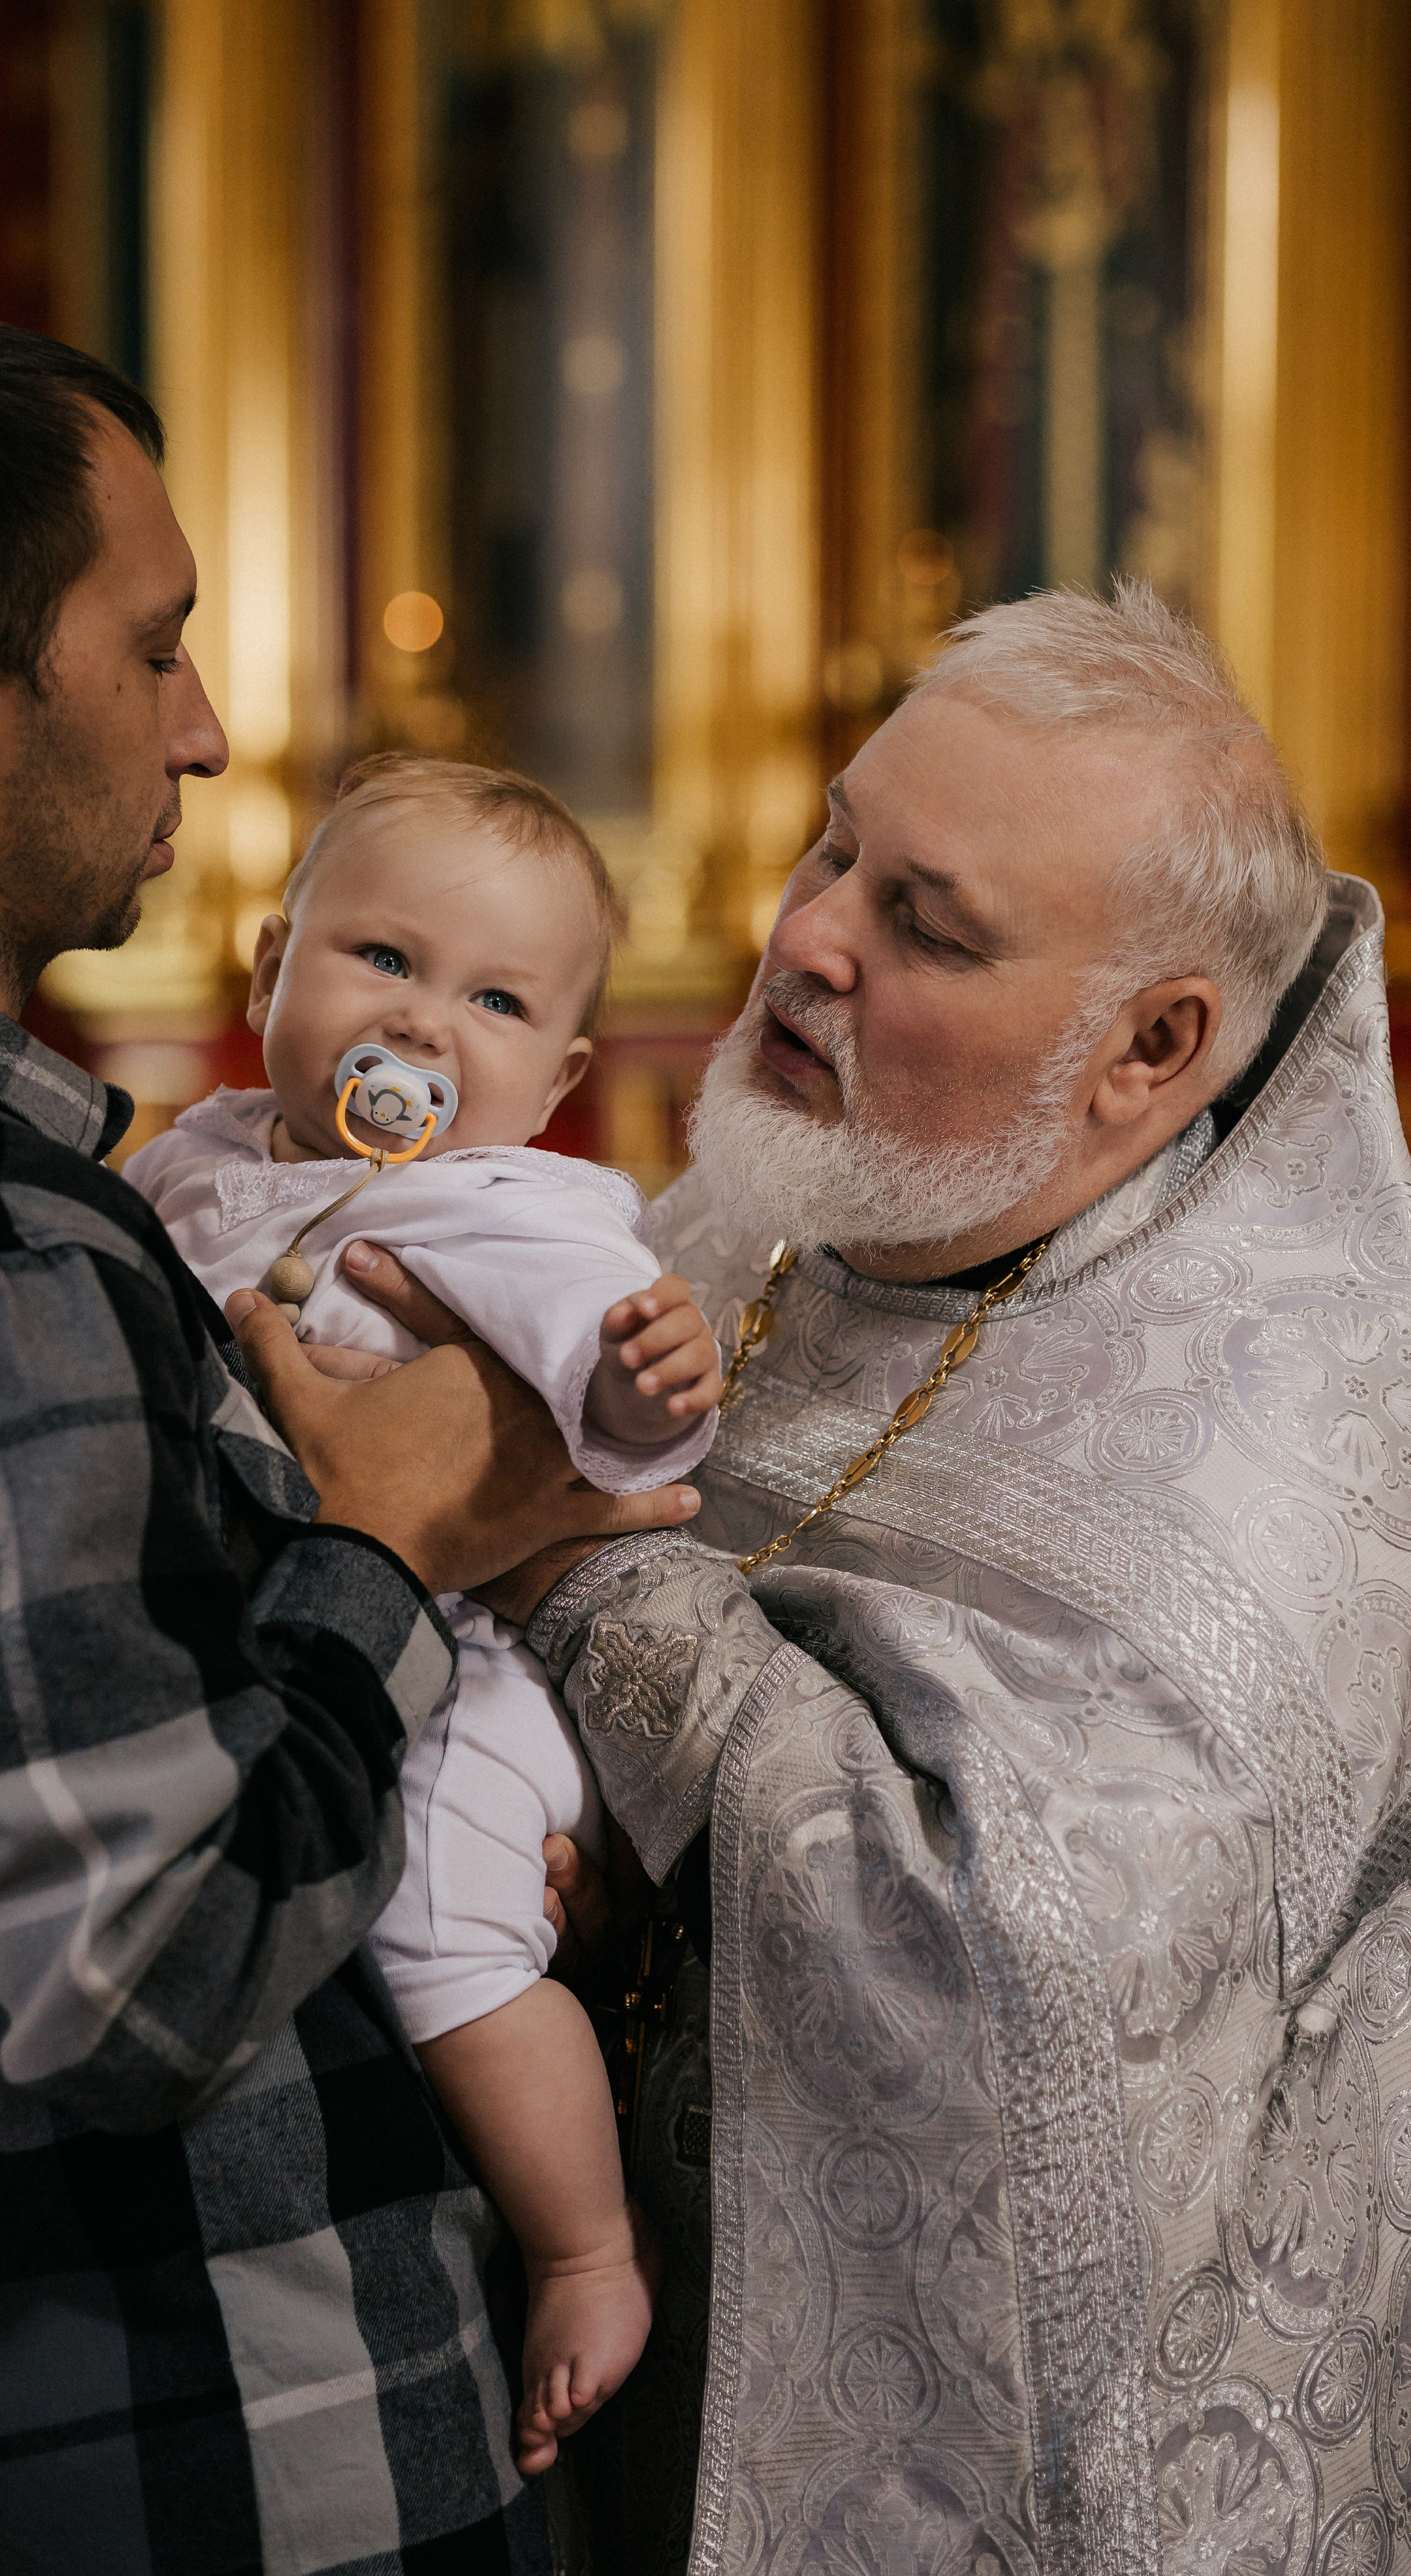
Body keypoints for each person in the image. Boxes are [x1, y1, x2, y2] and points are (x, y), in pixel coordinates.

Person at [0, 291, 699, 2576]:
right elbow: (138, 1975)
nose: (214, 730)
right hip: (199, 2463)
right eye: (154, 650)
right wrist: (388, 1562)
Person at [329, 582, 1411, 2575]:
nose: (805, 935)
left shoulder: (1279, 1458)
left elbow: (1009, 1983)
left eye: (927, 923)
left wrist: (561, 1563)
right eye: (837, 841)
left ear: (1150, 1047)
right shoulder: (772, 1223)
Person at [129, 751, 722, 2473]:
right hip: (290, 1622)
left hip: (462, 1662)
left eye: (496, 999)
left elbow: (606, 1421)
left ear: (558, 1078)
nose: (428, 1027)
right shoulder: (192, 1166)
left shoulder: (511, 1202)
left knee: (439, 1929)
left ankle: (582, 2246)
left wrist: (647, 1375)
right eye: (380, 961)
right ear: (268, 976)